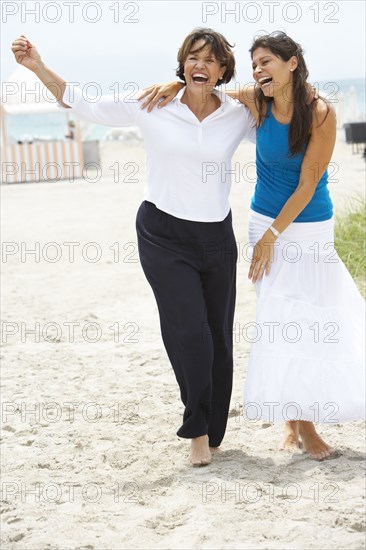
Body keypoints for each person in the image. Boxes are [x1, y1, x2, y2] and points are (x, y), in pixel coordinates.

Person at [11, 29, 256, 466]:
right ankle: (197, 430)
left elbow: (291, 99)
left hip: (217, 236)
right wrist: (37, 66)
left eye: (210, 60)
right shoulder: (153, 104)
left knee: (218, 335)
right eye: (192, 58)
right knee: (189, 332)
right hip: (163, 232)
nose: (200, 65)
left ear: (222, 70)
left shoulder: (237, 113)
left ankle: (215, 429)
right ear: (182, 63)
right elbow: (82, 100)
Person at [139, 31, 365, 460]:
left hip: (307, 227)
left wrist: (271, 238)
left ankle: (302, 425)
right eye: (255, 63)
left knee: (312, 323)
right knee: (282, 321)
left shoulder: (319, 113)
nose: (259, 70)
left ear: (292, 63)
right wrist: (175, 84)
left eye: (267, 62)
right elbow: (207, 88)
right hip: (263, 224)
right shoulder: (257, 101)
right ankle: (300, 426)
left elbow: (308, 183)